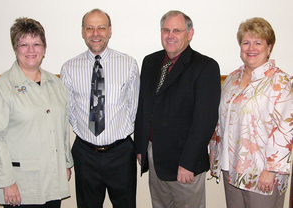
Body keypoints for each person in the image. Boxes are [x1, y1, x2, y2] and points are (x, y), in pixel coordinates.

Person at [134, 10, 221, 207]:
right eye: (166, 30)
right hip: (154, 155)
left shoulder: (205, 67)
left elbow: (205, 121)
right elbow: (144, 107)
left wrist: (188, 162)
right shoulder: (150, 62)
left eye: (177, 30)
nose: (170, 35)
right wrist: (140, 147)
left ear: (189, 34)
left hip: (184, 162)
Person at [210, 17, 293, 208]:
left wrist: (271, 171)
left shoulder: (280, 82)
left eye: (258, 43)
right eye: (246, 42)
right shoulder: (232, 79)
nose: (251, 48)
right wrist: (214, 152)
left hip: (261, 173)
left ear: (269, 47)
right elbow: (221, 120)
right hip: (231, 168)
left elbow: (285, 130)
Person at [60, 9, 140, 208]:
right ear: (82, 32)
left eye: (101, 28)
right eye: (90, 28)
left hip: (120, 153)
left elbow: (134, 106)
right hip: (85, 153)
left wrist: (118, 132)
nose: (96, 33)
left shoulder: (128, 64)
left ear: (110, 31)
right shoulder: (69, 68)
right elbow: (68, 111)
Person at [0, 17, 73, 208]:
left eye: (36, 44)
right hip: (20, 187)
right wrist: (6, 182)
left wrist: (66, 163)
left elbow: (62, 128)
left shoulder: (56, 84)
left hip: (53, 178)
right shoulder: (3, 86)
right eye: (24, 44)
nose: (31, 50)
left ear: (44, 49)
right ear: (15, 49)